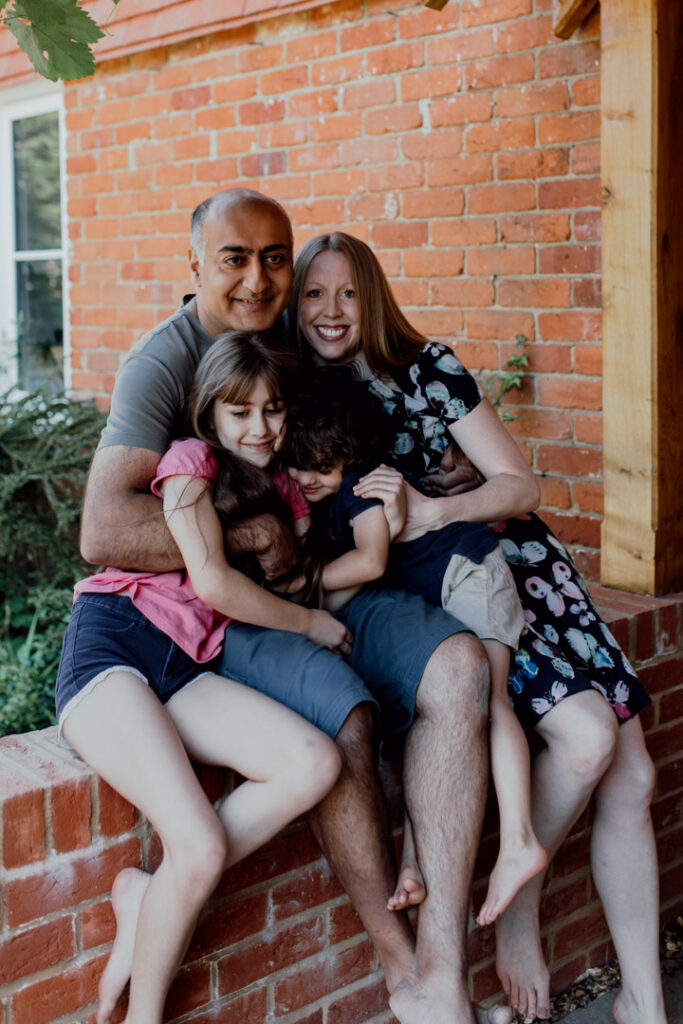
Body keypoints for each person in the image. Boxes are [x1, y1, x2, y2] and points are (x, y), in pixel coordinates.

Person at [79, 187, 515, 1024]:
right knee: (344, 724)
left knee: (460, 668)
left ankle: (442, 971)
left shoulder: (293, 325)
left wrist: (430, 479)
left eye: (273, 258)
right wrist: (253, 535)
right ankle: (400, 975)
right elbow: (104, 530)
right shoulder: (163, 364)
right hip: (237, 609)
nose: (257, 279)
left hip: (345, 569)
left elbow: (373, 399)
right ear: (195, 265)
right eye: (234, 260)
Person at [290, 230, 668, 1024]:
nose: (331, 311)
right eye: (314, 293)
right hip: (446, 592)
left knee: (633, 776)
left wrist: (441, 507)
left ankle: (643, 1002)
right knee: (589, 743)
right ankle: (517, 907)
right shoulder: (296, 391)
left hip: (519, 565)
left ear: (373, 295)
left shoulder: (427, 366)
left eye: (348, 292)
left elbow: (517, 482)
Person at [56, 332, 346, 1024]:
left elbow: (300, 580)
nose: (259, 428)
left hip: (185, 664)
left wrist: (356, 507)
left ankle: (147, 892)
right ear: (209, 413)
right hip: (115, 645)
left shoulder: (282, 489)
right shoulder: (191, 463)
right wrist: (308, 627)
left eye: (272, 410)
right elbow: (213, 582)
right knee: (201, 844)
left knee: (313, 763)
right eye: (239, 412)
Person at [285, 363, 548, 926]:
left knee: (490, 703)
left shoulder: (360, 488)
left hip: (470, 574)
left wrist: (300, 585)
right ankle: (415, 867)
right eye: (298, 464)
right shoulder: (331, 489)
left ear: (346, 456)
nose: (307, 477)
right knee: (434, 725)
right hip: (448, 585)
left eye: (321, 467)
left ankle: (520, 839)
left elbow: (371, 560)